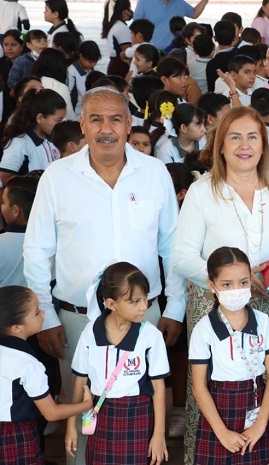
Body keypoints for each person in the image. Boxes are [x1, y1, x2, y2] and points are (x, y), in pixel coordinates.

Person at [23, 86, 184, 465]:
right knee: (82, 418)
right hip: (76, 321)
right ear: (82, 124)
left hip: (145, 320)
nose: (106, 128)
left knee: (143, 417)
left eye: (115, 118)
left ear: (129, 124)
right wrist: (45, 315)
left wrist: (175, 307)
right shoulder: (57, 177)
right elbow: (37, 250)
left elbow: (172, 247)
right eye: (96, 119)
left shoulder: (154, 173)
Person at [172, 106, 269, 464]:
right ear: (219, 145)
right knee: (210, 390)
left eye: (252, 137)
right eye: (234, 137)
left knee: (267, 387)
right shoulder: (203, 191)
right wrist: (234, 283)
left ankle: (265, 457)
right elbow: (182, 257)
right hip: (213, 306)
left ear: (264, 146)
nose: (244, 145)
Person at [65, 262, 170, 465]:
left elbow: (158, 388)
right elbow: (80, 381)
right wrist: (71, 425)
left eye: (145, 298)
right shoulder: (90, 333)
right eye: (134, 301)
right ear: (112, 304)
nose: (143, 306)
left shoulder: (150, 336)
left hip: (137, 415)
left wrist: (159, 435)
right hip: (101, 413)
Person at [189, 247, 269, 464]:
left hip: (256, 406)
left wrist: (260, 424)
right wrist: (221, 431)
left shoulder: (264, 323)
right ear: (212, 285)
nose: (236, 290)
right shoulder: (204, 329)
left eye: (243, 282)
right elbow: (199, 385)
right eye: (227, 285)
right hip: (219, 411)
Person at [0, 286, 94, 463]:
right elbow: (51, 413)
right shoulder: (28, 364)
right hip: (16, 436)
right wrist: (85, 404)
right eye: (36, 312)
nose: (43, 313)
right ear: (16, 328)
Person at [0, 88, 64, 186]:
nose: (61, 124)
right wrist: (34, 184)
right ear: (40, 118)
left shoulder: (53, 140)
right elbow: (5, 176)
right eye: (58, 120)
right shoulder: (20, 144)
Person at [0, 176, 38, 286]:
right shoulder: (53, 240)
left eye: (4, 202)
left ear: (16, 211)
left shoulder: (2, 243)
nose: (1, 206)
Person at [133, 0, 210, 50]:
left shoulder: (180, 3)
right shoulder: (144, 2)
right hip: (150, 54)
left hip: (173, 53)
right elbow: (136, 27)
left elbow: (194, 13)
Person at [102, 0, 132, 77]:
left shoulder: (115, 25)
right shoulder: (121, 28)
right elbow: (127, 52)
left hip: (115, 67)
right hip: (121, 68)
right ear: (124, 11)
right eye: (129, 8)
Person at [0, 30, 24, 123]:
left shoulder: (27, 64)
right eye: (6, 45)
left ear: (21, 46)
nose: (9, 48)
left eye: (13, 45)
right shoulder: (1, 63)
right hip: (3, 107)